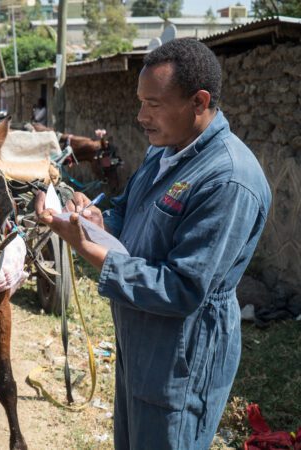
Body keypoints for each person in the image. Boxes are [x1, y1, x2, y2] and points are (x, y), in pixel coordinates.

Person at [35, 38, 271, 449]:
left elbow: (183, 287)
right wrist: (95, 222)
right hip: (139, 337)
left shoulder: (227, 179)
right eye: (141, 102)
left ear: (198, 102)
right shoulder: (163, 152)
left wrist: (88, 248)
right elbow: (127, 213)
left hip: (181, 356)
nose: (141, 116)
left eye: (154, 104)